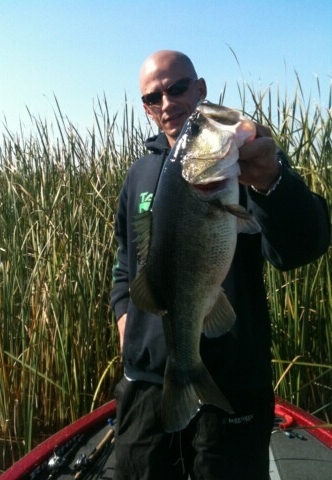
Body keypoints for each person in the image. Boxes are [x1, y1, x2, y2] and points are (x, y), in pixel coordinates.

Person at [110, 50, 330, 480]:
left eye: (177, 88)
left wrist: (272, 181)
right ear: (146, 108)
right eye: (154, 97)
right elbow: (125, 263)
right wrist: (126, 323)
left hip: (232, 380)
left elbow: (301, 246)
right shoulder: (138, 175)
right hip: (146, 382)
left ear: (200, 89)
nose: (168, 102)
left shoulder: (241, 170)